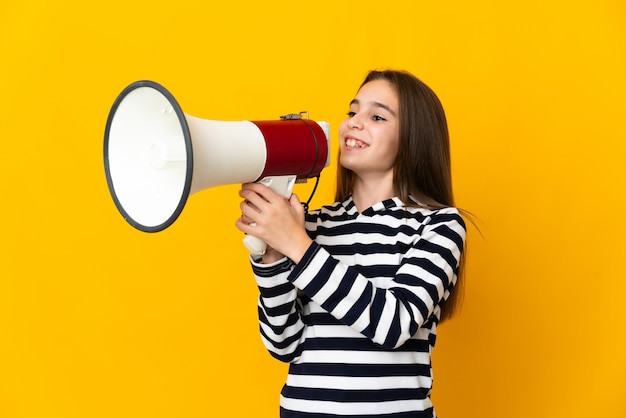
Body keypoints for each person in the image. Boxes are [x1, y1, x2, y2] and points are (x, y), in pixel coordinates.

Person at [236, 69, 467, 418]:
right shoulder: (311, 224)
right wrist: (271, 257)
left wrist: (296, 244)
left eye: (376, 116)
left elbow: (393, 324)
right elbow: (283, 344)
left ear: (414, 139)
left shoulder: (438, 224)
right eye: (352, 112)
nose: (353, 123)